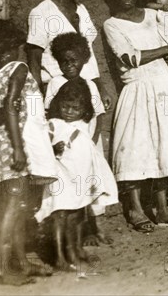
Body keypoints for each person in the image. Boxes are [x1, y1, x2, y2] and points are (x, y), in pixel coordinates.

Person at [102, 0, 168, 232]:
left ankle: (163, 209)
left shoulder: (152, 15)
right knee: (135, 148)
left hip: (163, 85)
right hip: (138, 88)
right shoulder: (112, 25)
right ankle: (135, 209)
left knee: (165, 146)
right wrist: (166, 49)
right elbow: (130, 58)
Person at [0, 19, 58, 285]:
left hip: (7, 141)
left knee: (19, 207)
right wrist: (19, 149)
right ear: (13, 44)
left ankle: (21, 262)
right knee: (11, 208)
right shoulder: (19, 68)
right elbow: (12, 106)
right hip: (15, 144)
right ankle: (3, 268)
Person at [37, 80, 118, 271]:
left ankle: (73, 250)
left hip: (79, 175)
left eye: (75, 108)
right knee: (59, 213)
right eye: (65, 106)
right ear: (58, 104)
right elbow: (41, 146)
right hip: (61, 176)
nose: (69, 112)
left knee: (76, 213)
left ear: (84, 108)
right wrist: (53, 148)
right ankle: (59, 256)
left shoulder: (84, 124)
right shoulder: (54, 124)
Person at [43, 32, 112, 246]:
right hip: (65, 148)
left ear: (84, 60)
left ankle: (98, 228)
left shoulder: (90, 85)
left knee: (93, 184)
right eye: (64, 61)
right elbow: (51, 115)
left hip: (89, 144)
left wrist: (92, 141)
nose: (69, 65)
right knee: (72, 188)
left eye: (74, 60)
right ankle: (81, 234)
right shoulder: (55, 83)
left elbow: (99, 115)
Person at [26, 0, 111, 109]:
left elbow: (89, 53)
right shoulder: (41, 13)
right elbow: (34, 62)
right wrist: (37, 102)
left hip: (87, 90)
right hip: (59, 93)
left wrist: (100, 88)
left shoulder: (81, 10)